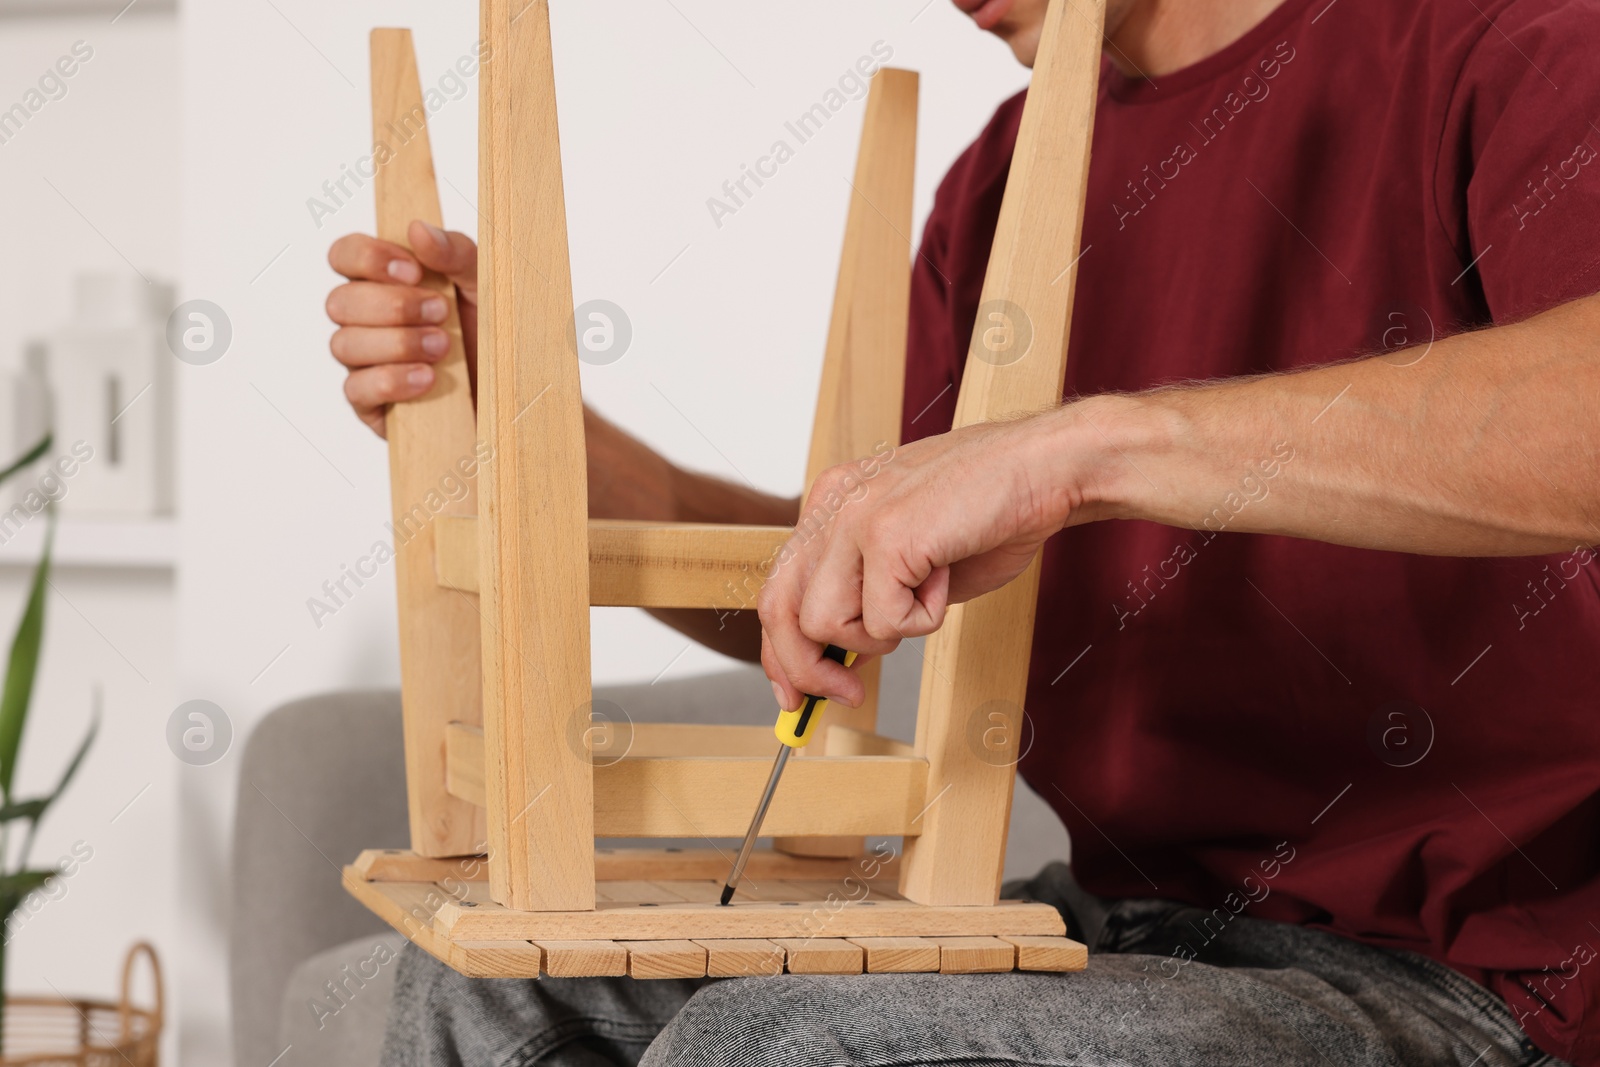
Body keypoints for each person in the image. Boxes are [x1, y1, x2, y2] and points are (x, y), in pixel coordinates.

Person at [324, 0, 1600, 1062]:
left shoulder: (1506, 44)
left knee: (784, 1044)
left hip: (1481, 972)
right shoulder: (1006, 177)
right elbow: (862, 572)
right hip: (1125, 919)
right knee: (479, 991)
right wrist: (537, 426)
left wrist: (1080, 450)